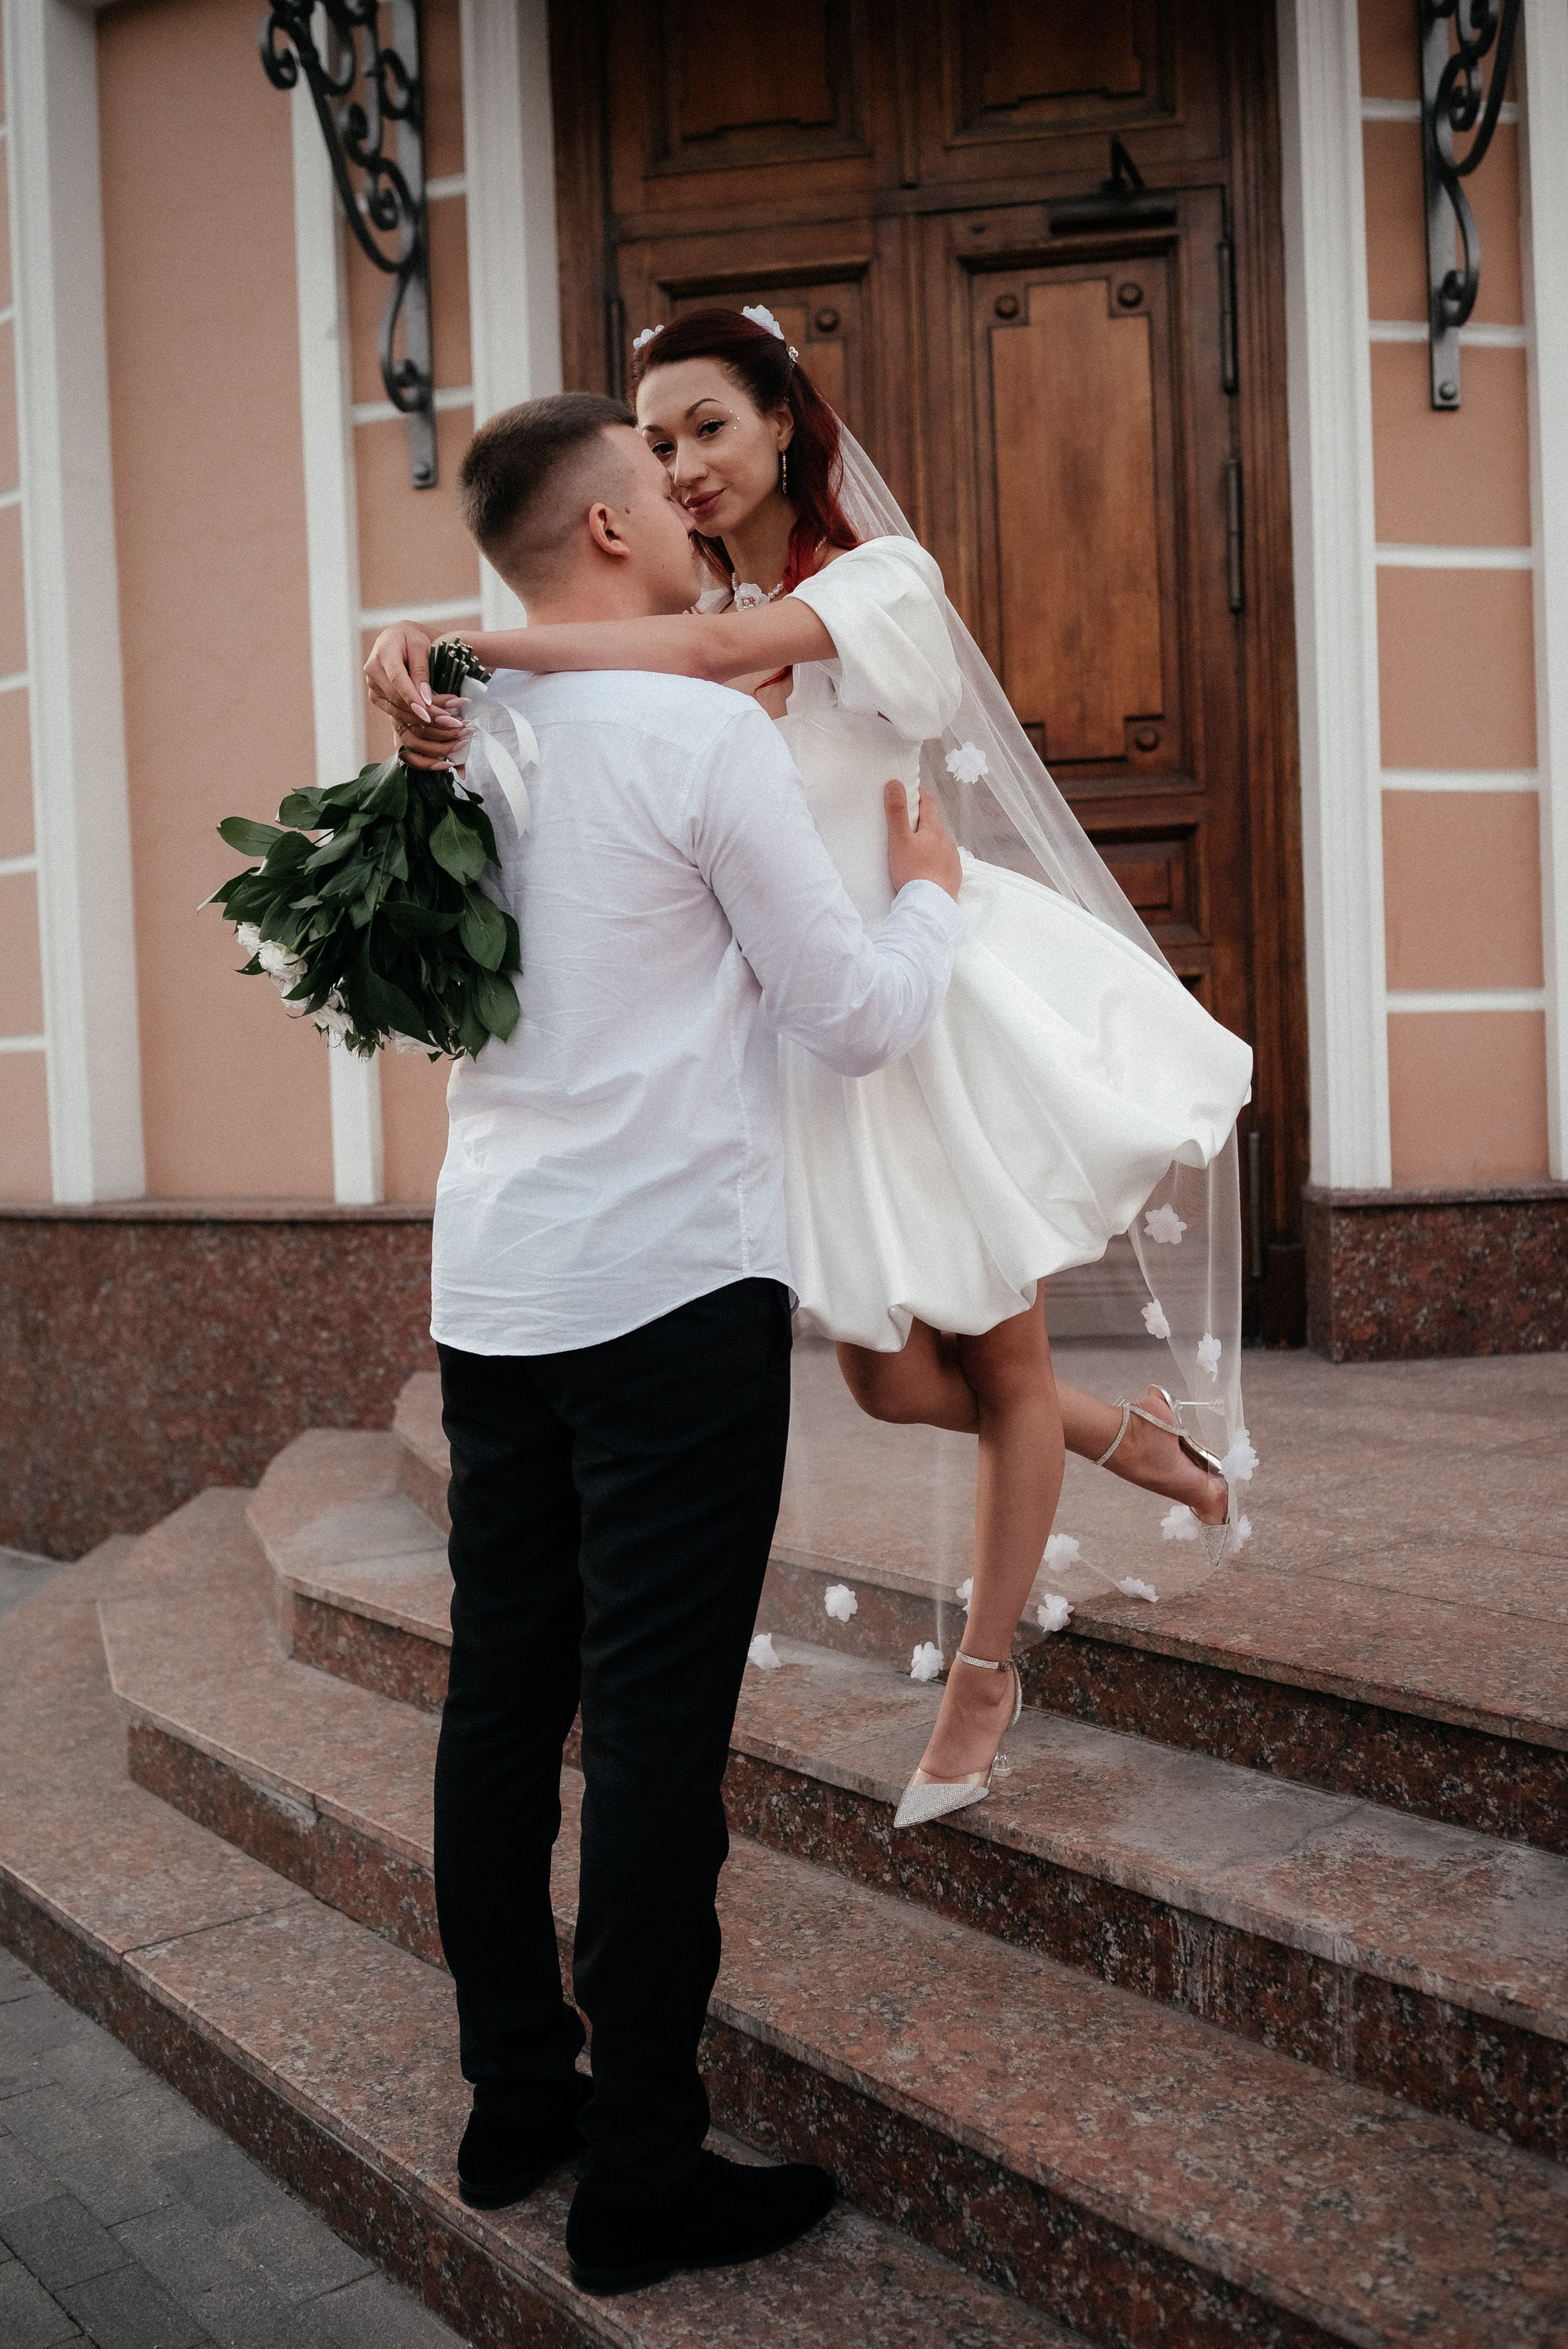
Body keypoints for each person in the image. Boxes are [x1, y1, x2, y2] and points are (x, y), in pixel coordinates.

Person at [369, 310, 1254, 1833]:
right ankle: (1134, 1439)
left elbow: (710, 658)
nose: (680, 465)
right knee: (893, 1379)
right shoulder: (682, 609)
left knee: (1003, 1367)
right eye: (656, 442)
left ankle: (985, 1679)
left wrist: (450, 645)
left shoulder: (874, 584)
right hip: (813, 1021)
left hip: (931, 995)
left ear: (784, 421)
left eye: (708, 426)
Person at [428, 390, 964, 2290]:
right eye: (652, 485)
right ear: (602, 532)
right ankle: (645, 2170)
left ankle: (519, 2100)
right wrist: (929, 908)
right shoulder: (696, 735)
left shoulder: (452, 734)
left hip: (496, 1285)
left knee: (503, 1701)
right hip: (668, 1290)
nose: (683, 504)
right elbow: (854, 1016)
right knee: (655, 1736)